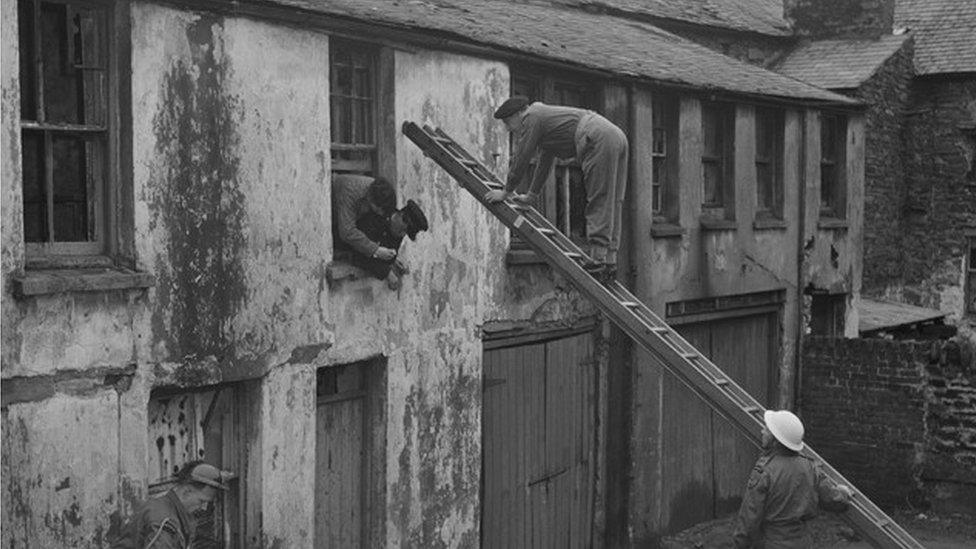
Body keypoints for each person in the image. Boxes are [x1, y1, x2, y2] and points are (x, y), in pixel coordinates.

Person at [485, 96, 628, 280]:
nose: (507, 128)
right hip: (615, 135)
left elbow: (522, 155)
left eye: (507, 122)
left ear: (519, 113)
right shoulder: (546, 121)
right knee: (613, 200)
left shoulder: (532, 117)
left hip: (596, 136)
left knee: (600, 199)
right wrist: (531, 195)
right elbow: (544, 162)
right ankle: (610, 261)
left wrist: (506, 191)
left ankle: (598, 261)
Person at [732, 410, 854, 549]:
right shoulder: (810, 466)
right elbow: (832, 499)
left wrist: (739, 545)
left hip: (772, 543)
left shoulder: (764, 471)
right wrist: (843, 492)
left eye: (766, 429)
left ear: (775, 439)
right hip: (802, 543)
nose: (762, 431)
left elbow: (749, 518)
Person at [111, 461, 233, 548]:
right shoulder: (165, 522)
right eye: (201, 501)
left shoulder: (166, 507)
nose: (203, 507)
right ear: (187, 492)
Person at [350, 199, 429, 289]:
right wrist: (387, 273)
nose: (403, 234)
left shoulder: (398, 231)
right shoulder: (378, 216)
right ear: (400, 216)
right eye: (403, 230)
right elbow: (358, 254)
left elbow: (387, 255)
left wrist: (393, 261)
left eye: (405, 233)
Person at [332, 173, 399, 262]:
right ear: (373, 202)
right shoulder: (351, 191)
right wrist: (376, 250)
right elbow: (347, 232)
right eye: (379, 211)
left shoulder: (375, 192)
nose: (379, 214)